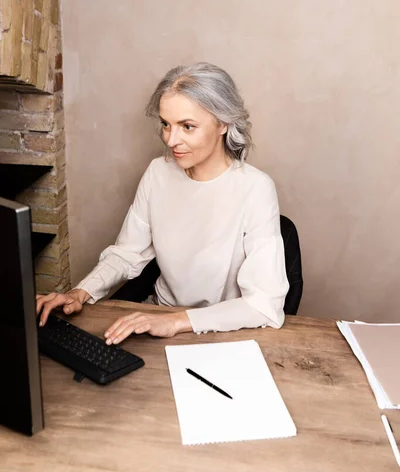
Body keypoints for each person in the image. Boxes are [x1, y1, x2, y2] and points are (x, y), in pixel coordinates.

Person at [36, 62, 289, 343]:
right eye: (166, 124)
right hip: (157, 320)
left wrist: (176, 322)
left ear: (223, 124)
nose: (171, 139)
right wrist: (80, 292)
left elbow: (264, 304)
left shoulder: (255, 188)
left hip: (220, 331)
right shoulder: (158, 172)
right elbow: (127, 253)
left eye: (188, 126)